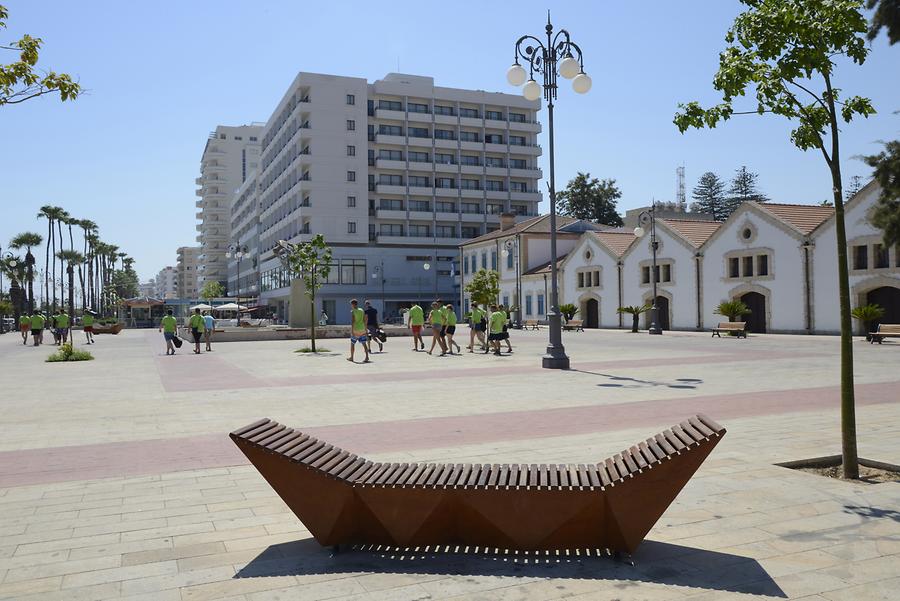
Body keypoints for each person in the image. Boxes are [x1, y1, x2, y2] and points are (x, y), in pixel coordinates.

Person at [347, 298, 370, 363]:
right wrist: (365, 329)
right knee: (364, 344)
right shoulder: (362, 310)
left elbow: (353, 321)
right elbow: (364, 320)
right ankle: (367, 357)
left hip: (356, 330)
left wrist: (352, 330)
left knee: (352, 344)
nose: (351, 306)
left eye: (351, 304)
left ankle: (351, 357)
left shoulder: (353, 311)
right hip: (362, 329)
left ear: (353, 304)